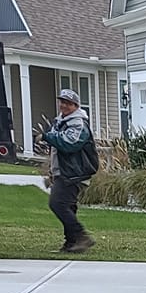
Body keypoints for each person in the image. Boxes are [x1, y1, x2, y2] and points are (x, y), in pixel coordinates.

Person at [42, 89, 97, 252]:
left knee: (57, 204)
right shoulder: (61, 121)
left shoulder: (78, 124)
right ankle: (71, 243)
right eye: (62, 102)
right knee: (68, 206)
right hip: (65, 171)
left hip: (75, 173)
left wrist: (46, 137)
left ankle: (82, 237)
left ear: (76, 105)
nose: (64, 105)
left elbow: (69, 143)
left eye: (68, 103)